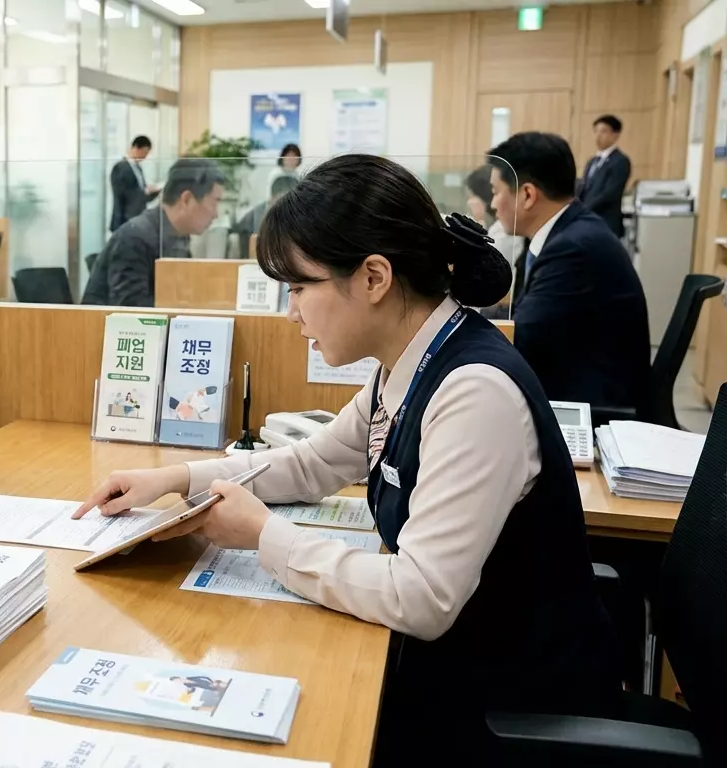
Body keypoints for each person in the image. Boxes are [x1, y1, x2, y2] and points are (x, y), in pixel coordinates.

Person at [75, 154, 619, 764]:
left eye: (300, 288)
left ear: (373, 278)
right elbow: (313, 464)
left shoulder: (473, 391)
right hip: (452, 668)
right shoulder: (407, 363)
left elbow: (421, 598)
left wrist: (264, 535)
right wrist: (175, 478)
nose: (292, 312)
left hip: (505, 706)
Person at [488, 132, 651, 413]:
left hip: (592, 403)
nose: (492, 204)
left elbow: (520, 339)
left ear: (527, 195)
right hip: (572, 374)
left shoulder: (574, 249)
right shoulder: (569, 231)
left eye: (495, 191)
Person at [83, 158, 225, 307]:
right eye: (214, 203)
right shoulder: (136, 238)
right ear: (187, 199)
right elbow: (131, 311)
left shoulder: (178, 235)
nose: (216, 214)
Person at [577, 114, 632, 238]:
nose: (598, 135)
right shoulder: (592, 161)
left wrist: (583, 209)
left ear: (615, 134)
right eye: (596, 131)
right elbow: (585, 188)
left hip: (606, 223)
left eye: (603, 131)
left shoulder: (620, 161)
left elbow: (610, 193)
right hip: (587, 222)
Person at [464, 166, 522, 266]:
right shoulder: (496, 227)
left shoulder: (503, 232)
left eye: (472, 197)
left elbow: (484, 266)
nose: (469, 202)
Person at [109, 135, 161, 232]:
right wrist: (145, 191)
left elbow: (142, 196)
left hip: (138, 220)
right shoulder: (120, 167)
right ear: (136, 148)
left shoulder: (138, 168)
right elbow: (124, 195)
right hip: (124, 221)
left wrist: (154, 191)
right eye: (144, 153)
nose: (145, 157)